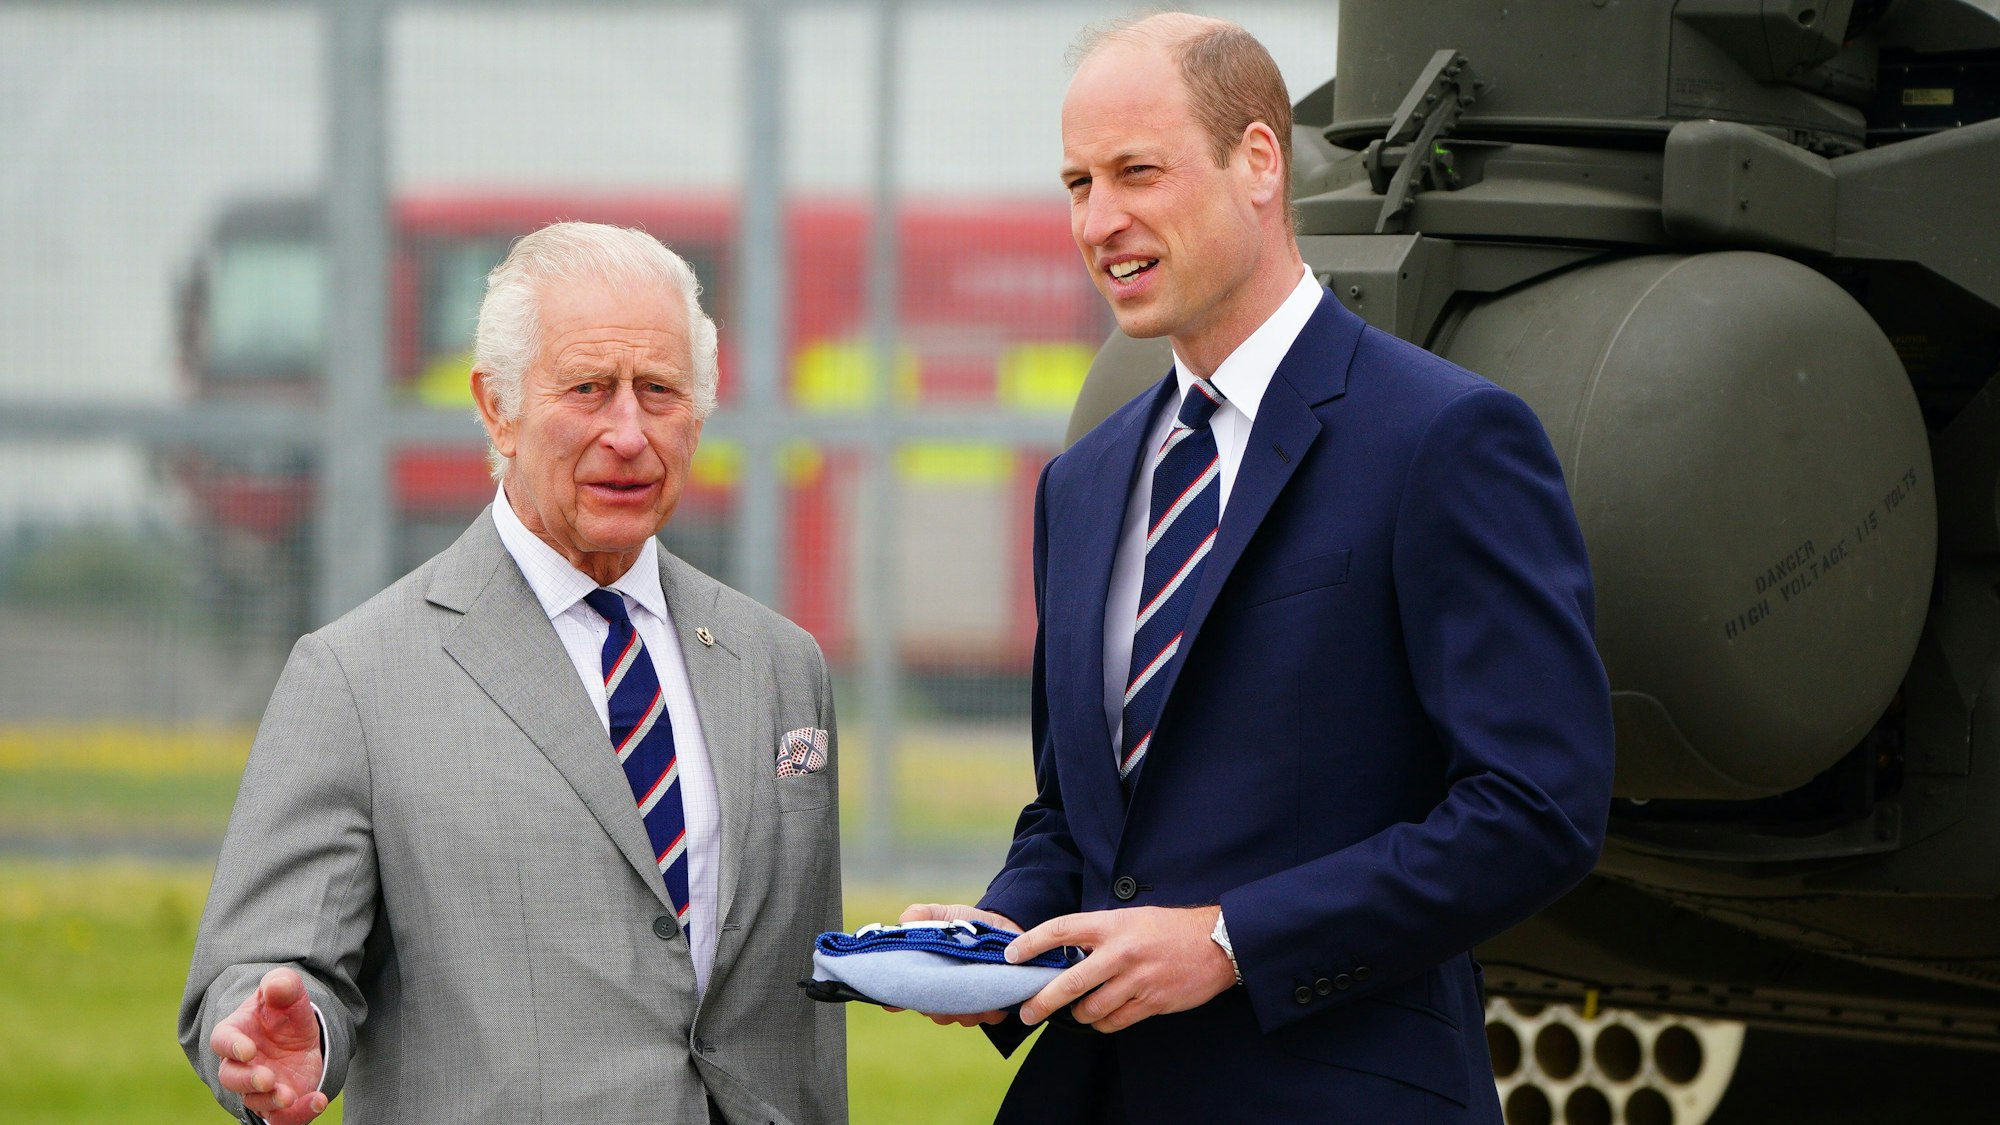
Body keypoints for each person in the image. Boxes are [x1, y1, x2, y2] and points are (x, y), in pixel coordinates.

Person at [900, 14, 1615, 1123]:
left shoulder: (1446, 436)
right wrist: (994, 938)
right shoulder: (1082, 483)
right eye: (1077, 183)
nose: (1100, 221)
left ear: (1258, 164)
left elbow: (1534, 808)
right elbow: (1076, 823)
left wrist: (1231, 944)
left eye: (1136, 171)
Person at [180, 222, 845, 1125]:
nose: (628, 432)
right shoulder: (357, 678)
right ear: (496, 408)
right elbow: (262, 971)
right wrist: (285, 1040)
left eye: (659, 391)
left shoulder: (780, 666)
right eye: (588, 389)